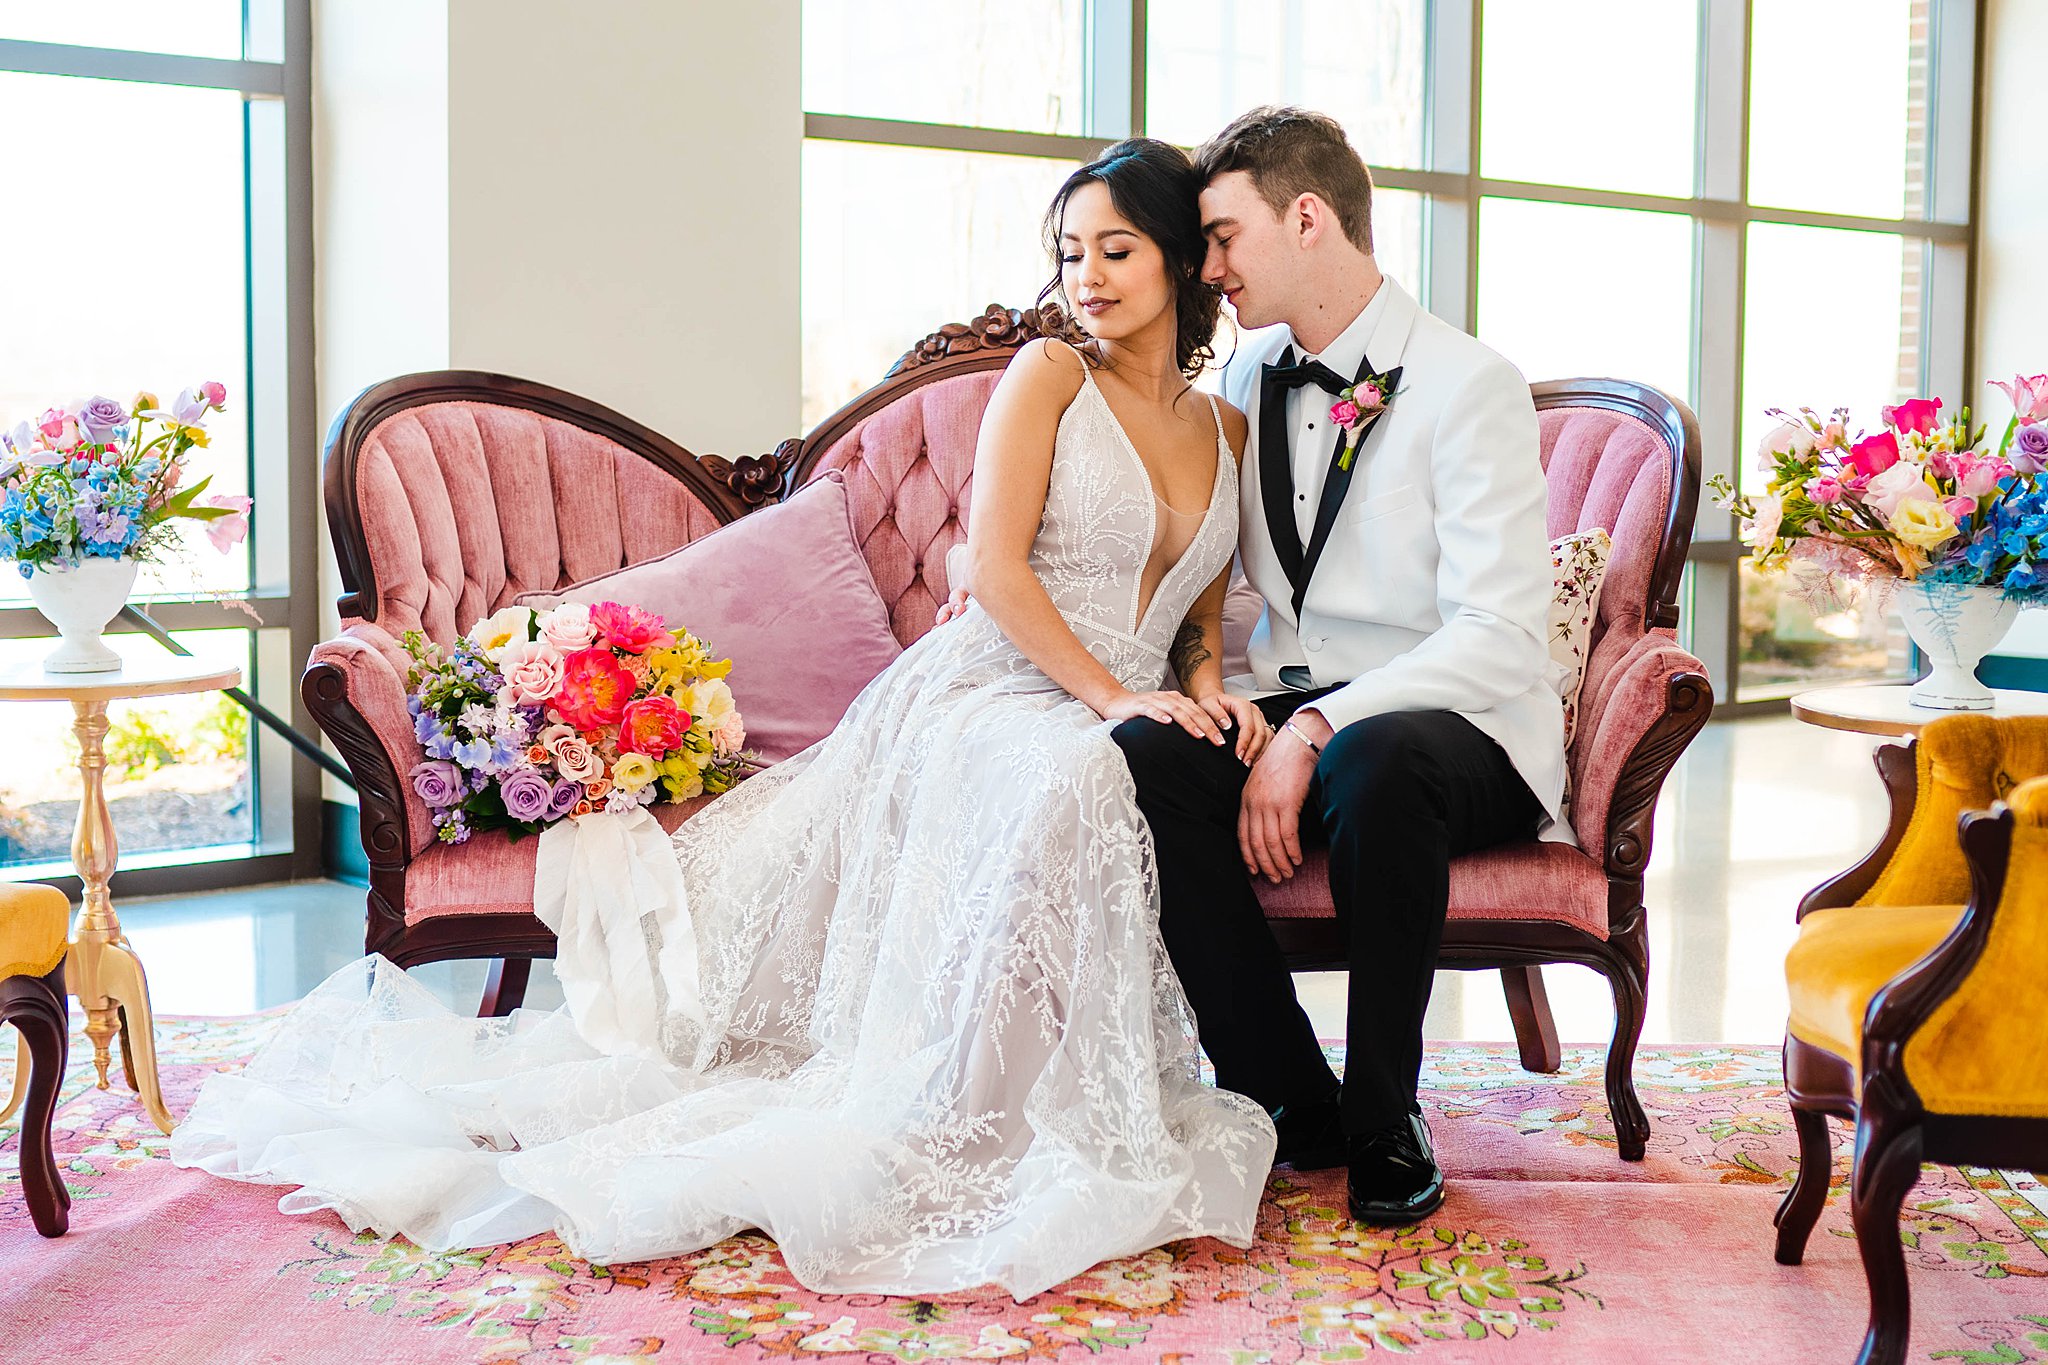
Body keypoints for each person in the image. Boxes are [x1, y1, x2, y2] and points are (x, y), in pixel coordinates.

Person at [170, 138, 1277, 1301]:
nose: (1084, 276)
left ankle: (1056, 1089)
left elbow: (1196, 613)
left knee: (1107, 768)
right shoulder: (1050, 376)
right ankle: (968, 1110)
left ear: (1180, 263)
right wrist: (1112, 702)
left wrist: (1206, 696)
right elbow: (994, 571)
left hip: (1125, 699)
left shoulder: (1226, 430)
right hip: (992, 688)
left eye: (1114, 250)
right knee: (1079, 777)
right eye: (1067, 252)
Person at [1111, 106, 1564, 1226]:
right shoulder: (1249, 376)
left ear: (1305, 217)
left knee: (1374, 759)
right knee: (1142, 756)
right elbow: (1201, 565)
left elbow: (1501, 633)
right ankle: (1283, 1101)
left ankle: (1381, 1117)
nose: (1205, 269)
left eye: (1222, 238)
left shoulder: (1469, 384)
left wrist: (1314, 732)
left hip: (1461, 725)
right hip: (1297, 700)